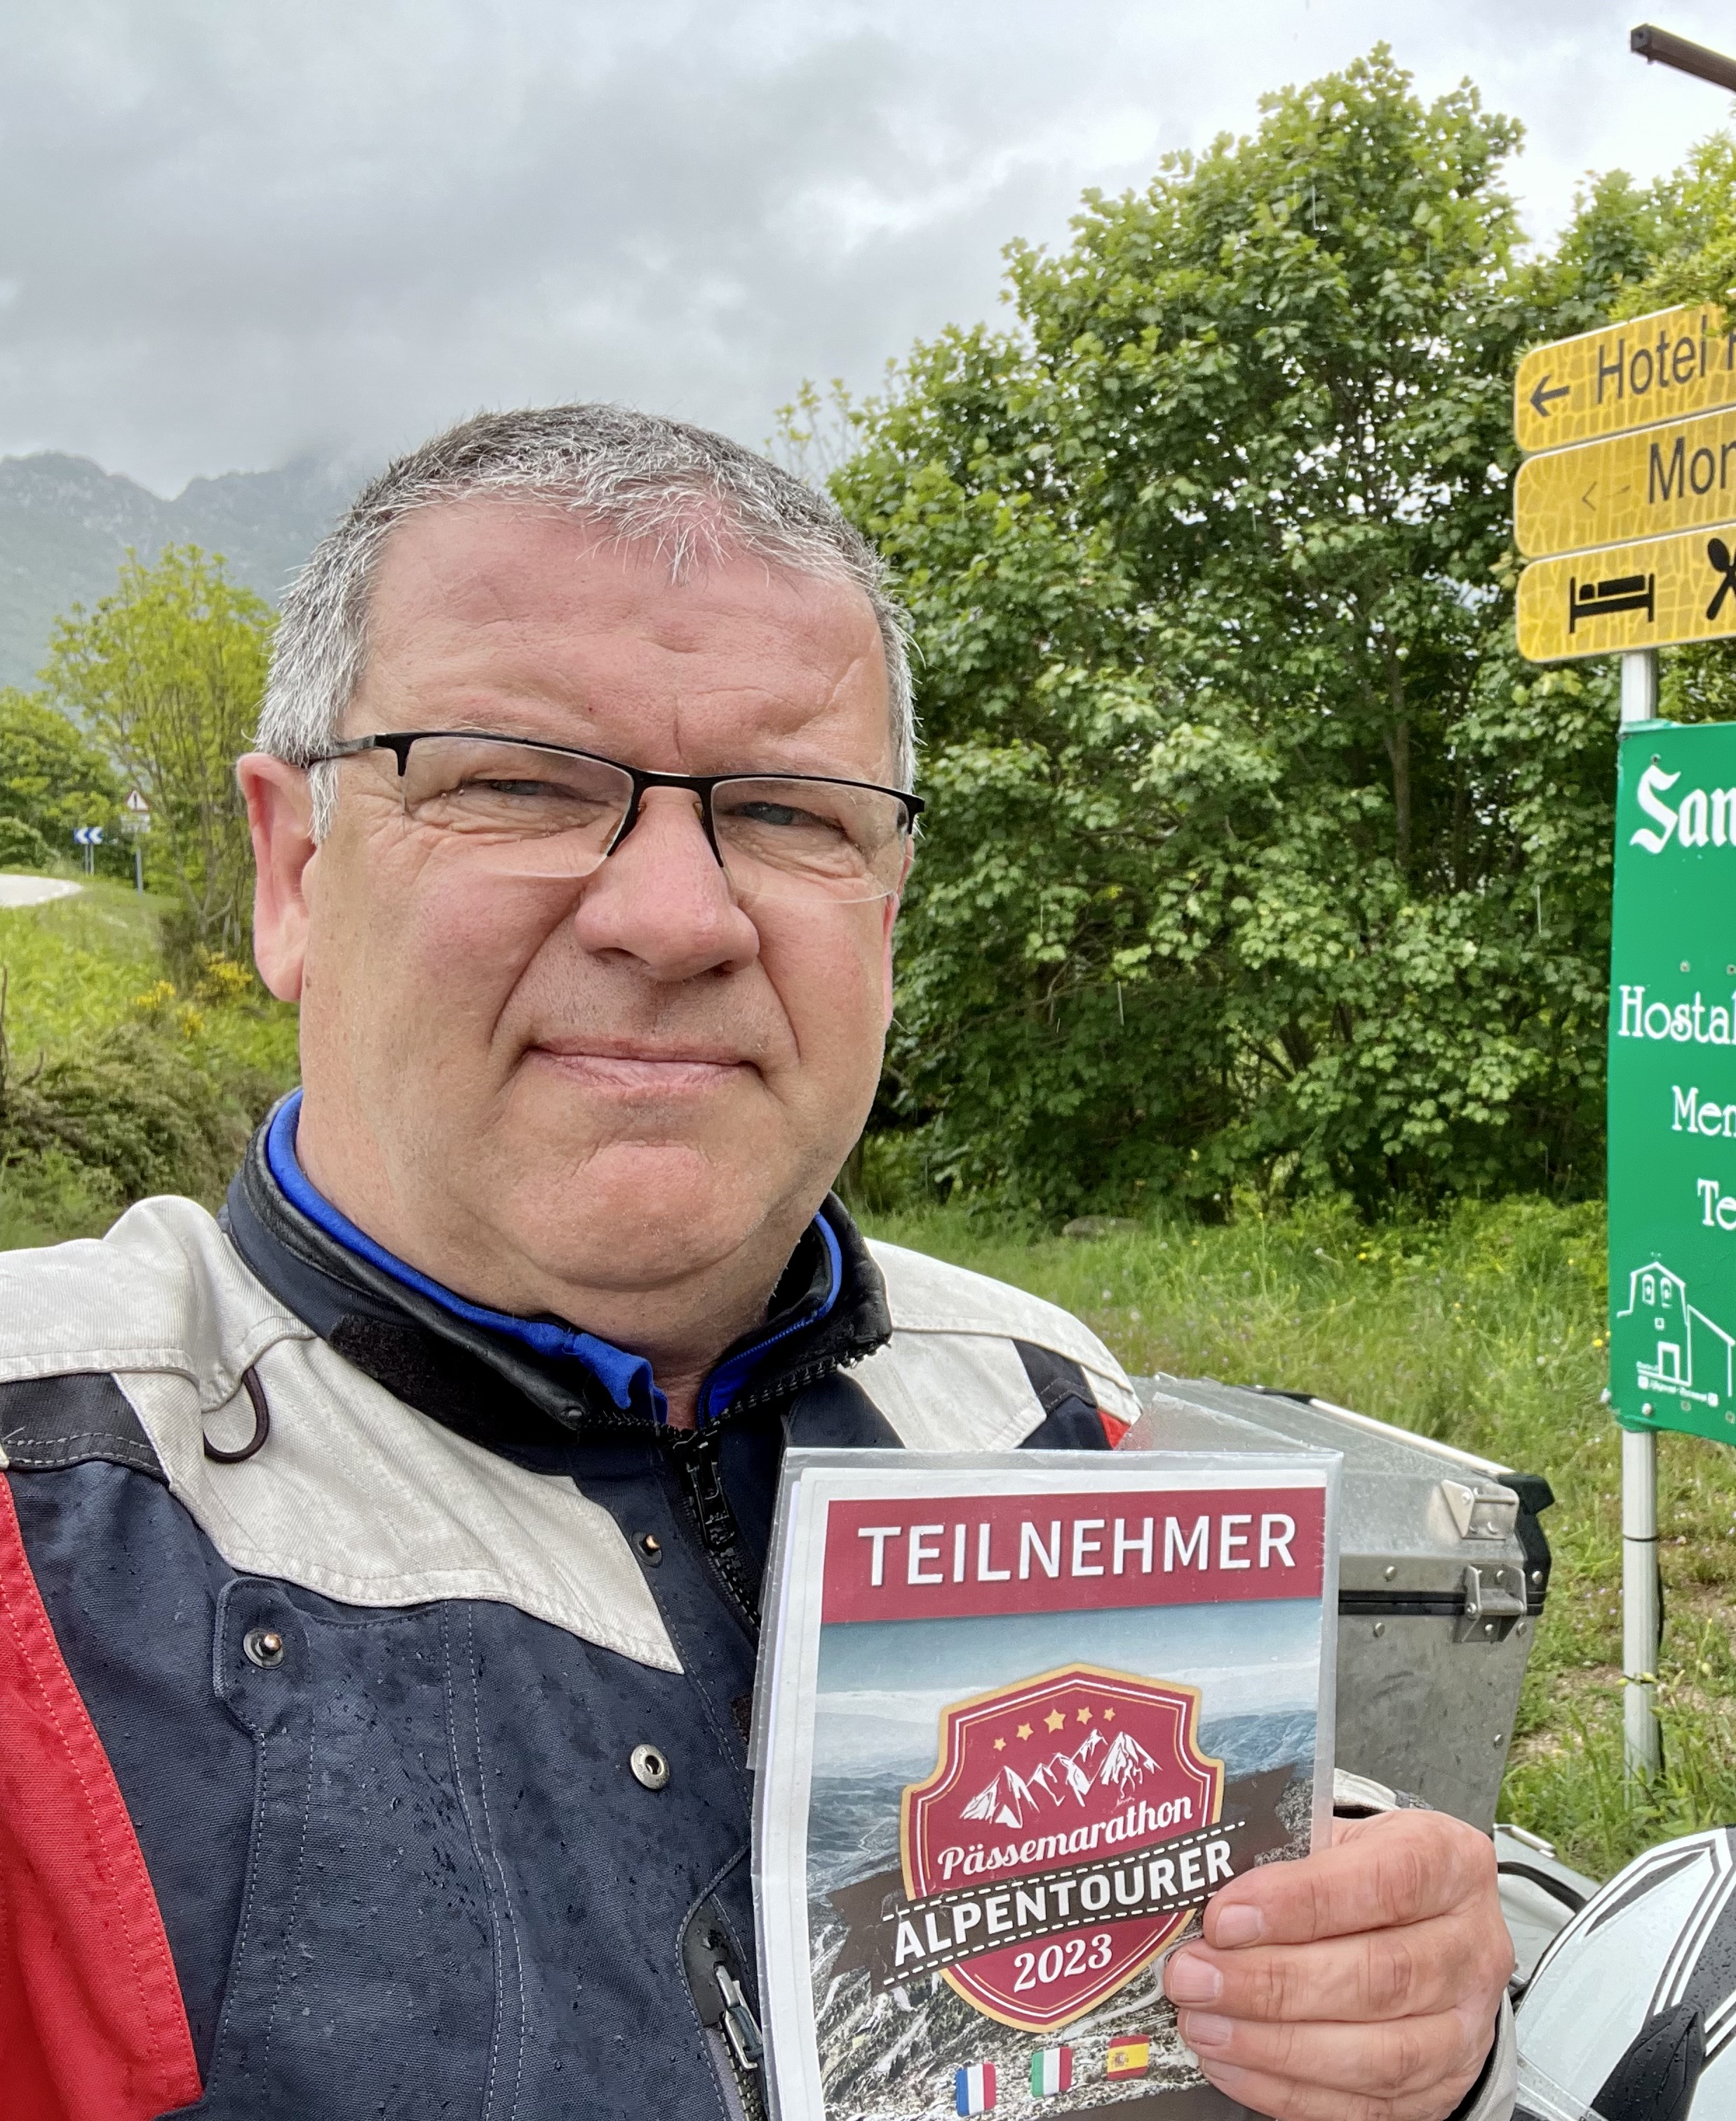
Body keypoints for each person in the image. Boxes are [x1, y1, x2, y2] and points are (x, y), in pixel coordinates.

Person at [0, 405, 1514, 2121]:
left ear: (889, 906)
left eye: (792, 813)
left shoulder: (1050, 1411)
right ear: (293, 871)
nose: (676, 918)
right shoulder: (42, 1503)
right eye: (517, 782)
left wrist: (1394, 2021)